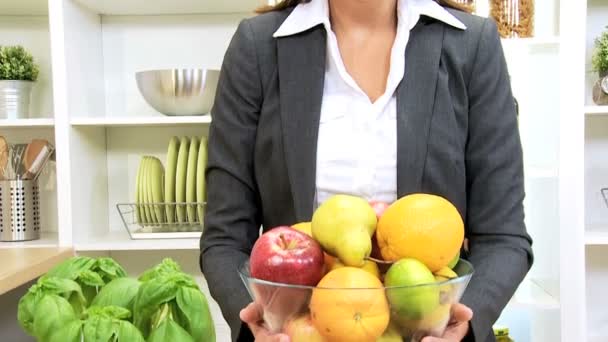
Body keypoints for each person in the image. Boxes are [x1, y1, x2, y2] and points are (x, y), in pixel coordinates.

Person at [200, 0, 533, 341]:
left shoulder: (472, 45)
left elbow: (503, 238)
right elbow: (224, 240)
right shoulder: (258, 47)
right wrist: (257, 323)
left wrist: (462, 325)